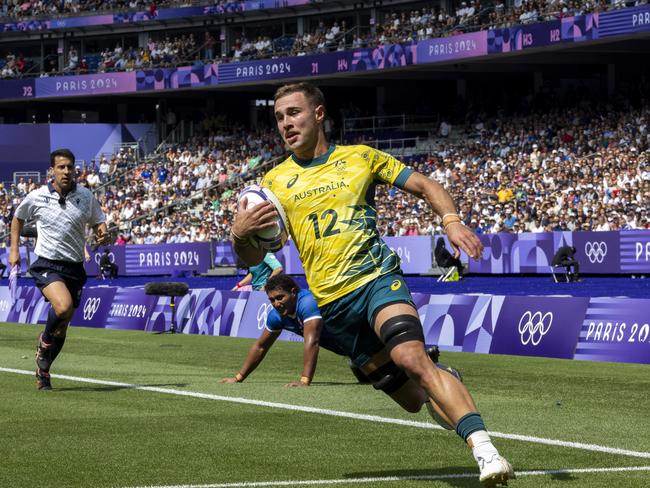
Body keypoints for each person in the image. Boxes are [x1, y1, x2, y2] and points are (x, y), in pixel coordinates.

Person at [230, 82, 513, 486]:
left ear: (319, 113)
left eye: (293, 113)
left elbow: (426, 186)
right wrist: (240, 236)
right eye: (278, 117)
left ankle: (487, 453)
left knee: (412, 359)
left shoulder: (360, 158)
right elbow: (258, 259)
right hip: (334, 307)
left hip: (376, 279)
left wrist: (451, 221)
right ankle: (443, 376)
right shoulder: (273, 184)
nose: (285, 124)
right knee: (414, 399)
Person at [221, 274, 454, 387]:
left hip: (368, 339)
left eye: (280, 298)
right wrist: (239, 377)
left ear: (294, 291)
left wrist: (304, 380)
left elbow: (311, 341)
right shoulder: (277, 315)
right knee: (371, 380)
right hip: (352, 352)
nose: (276, 304)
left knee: (400, 374)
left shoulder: (308, 303)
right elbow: (260, 345)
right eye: (272, 300)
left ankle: (438, 367)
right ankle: (425, 359)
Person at [9, 148, 110, 391]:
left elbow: (99, 220)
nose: (66, 171)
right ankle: (44, 341)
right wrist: (14, 250)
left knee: (63, 324)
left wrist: (102, 232)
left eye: (70, 167)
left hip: (74, 266)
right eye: (61, 167)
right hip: (47, 263)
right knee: (63, 306)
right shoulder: (37, 196)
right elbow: (17, 219)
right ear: (51, 170)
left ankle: (43, 372)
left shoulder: (86, 196)